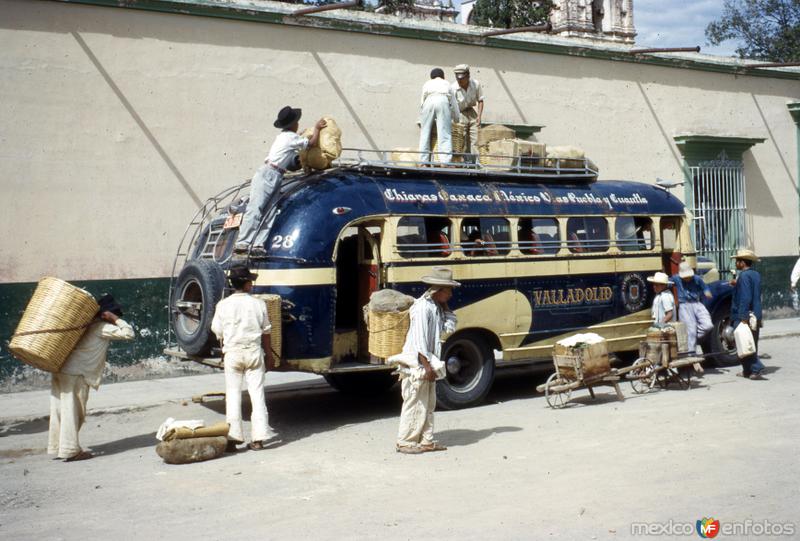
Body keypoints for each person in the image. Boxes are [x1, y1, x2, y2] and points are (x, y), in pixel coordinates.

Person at [48, 294, 135, 462]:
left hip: (60, 369)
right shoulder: (101, 327)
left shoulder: (82, 325)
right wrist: (116, 319)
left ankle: (59, 447)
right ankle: (70, 450)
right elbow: (129, 333)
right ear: (105, 314)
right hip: (77, 373)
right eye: (112, 313)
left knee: (59, 409)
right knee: (73, 411)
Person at [234, 106, 327, 258]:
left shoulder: (285, 136)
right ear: (293, 124)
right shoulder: (290, 138)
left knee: (269, 211)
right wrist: (316, 129)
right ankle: (243, 243)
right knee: (256, 207)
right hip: (269, 173)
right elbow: (311, 143)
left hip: (275, 174)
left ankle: (257, 245)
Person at [391, 267, 459, 454]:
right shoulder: (422, 308)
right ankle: (405, 441)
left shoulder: (436, 308)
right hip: (419, 364)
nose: (451, 294)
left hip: (428, 362)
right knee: (415, 402)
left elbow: (449, 327)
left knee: (428, 403)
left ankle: (426, 440)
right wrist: (427, 367)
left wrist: (445, 308)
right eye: (448, 290)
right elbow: (420, 341)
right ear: (438, 290)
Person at [211, 264, 277, 451]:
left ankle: (233, 437)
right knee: (257, 395)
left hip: (233, 353)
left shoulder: (223, 305)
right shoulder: (259, 304)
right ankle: (258, 438)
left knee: (232, 394)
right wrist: (269, 355)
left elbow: (217, 330)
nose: (252, 285)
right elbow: (266, 331)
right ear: (247, 284)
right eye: (250, 282)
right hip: (254, 352)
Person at [730, 249, 765, 380]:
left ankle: (756, 368)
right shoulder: (755, 274)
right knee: (750, 342)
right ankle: (747, 370)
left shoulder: (744, 276)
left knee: (744, 342)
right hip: (755, 313)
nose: (736, 263)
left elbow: (745, 297)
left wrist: (743, 316)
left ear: (742, 262)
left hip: (745, 314)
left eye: (737, 261)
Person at [418, 68, 460, 164]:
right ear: (443, 76)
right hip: (442, 100)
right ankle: (445, 161)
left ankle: (423, 161)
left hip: (428, 101)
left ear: (431, 77)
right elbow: (454, 102)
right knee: (444, 132)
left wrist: (423, 119)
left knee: (425, 132)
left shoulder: (427, 83)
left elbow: (422, 102)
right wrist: (457, 118)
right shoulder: (446, 83)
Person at [671, 261, 713, 353]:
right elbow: (668, 282)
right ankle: (691, 352)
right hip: (684, 305)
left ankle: (691, 336)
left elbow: (705, 287)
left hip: (696, 303)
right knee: (690, 329)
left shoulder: (697, 279)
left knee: (708, 325)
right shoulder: (677, 279)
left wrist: (707, 292)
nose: (687, 278)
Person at [451, 64, 484, 156]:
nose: (459, 81)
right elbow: (451, 106)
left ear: (468, 76)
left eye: (462, 79)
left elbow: (480, 100)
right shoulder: (453, 88)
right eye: (458, 79)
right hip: (459, 113)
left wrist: (479, 116)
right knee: (461, 139)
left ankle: (477, 163)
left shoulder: (476, 84)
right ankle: (461, 163)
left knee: (477, 138)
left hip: (472, 112)